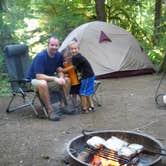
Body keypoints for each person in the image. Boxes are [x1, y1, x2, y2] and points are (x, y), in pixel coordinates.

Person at [26, 37, 71, 121]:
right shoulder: (41, 56)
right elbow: (38, 76)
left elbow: (59, 69)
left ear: (59, 46)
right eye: (52, 45)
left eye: (56, 45)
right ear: (48, 45)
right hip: (32, 81)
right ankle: (50, 111)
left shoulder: (58, 55)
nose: (54, 47)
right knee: (42, 83)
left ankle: (63, 106)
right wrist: (55, 79)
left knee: (67, 80)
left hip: (48, 79)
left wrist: (61, 77)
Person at [65, 41, 95, 113]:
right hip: (90, 75)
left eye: (75, 49)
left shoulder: (76, 57)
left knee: (82, 92)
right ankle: (91, 106)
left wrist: (63, 70)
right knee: (87, 92)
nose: (73, 50)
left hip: (87, 76)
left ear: (78, 49)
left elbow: (73, 67)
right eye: (72, 49)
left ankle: (84, 108)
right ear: (69, 50)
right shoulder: (79, 56)